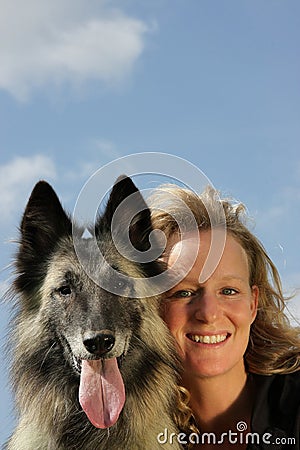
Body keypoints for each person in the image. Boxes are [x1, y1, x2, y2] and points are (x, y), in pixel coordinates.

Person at [148, 185, 300, 450]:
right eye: (183, 292)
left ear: (253, 304)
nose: (208, 313)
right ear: (151, 309)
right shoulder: (124, 430)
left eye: (228, 291)